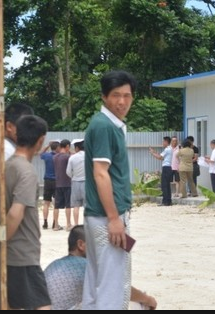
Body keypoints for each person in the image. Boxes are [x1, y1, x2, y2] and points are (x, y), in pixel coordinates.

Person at [83, 70, 137, 310]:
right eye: (116, 95)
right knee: (112, 287)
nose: (122, 102)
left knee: (97, 282)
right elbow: (100, 173)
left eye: (127, 95)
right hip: (107, 217)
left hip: (100, 216)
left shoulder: (109, 124)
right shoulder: (104, 126)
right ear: (104, 96)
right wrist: (115, 219)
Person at [44, 225, 157, 310]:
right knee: (134, 304)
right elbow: (122, 290)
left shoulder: (54, 265)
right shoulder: (86, 267)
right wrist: (148, 300)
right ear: (81, 245)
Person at [6, 115, 50, 310]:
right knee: (43, 306)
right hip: (22, 254)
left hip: (13, 255)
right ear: (40, 140)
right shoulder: (26, 171)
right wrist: (1, 243)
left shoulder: (7, 166)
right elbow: (15, 213)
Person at [40, 140, 60, 230]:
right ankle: (55, 223)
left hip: (47, 180)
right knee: (56, 204)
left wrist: (48, 145)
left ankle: (45, 222)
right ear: (57, 148)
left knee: (46, 203)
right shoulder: (59, 156)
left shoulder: (47, 156)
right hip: (56, 181)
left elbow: (41, 153)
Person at [53, 139, 73, 231]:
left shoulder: (55, 157)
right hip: (67, 183)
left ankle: (56, 225)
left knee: (56, 206)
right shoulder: (67, 157)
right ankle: (68, 224)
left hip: (58, 183)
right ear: (67, 146)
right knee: (68, 205)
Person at [66, 139, 85, 229]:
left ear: (77, 148)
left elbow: (68, 172)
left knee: (76, 206)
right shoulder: (90, 156)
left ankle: (76, 224)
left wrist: (74, 176)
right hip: (87, 183)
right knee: (87, 206)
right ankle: (87, 224)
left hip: (75, 182)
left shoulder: (72, 157)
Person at [149, 136, 173, 206]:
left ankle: (165, 201)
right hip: (168, 168)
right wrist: (154, 152)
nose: (162, 143)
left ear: (166, 142)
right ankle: (169, 201)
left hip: (166, 168)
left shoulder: (167, 149)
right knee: (167, 185)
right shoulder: (169, 149)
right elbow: (162, 157)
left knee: (164, 185)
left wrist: (152, 153)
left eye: (163, 141)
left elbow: (159, 157)